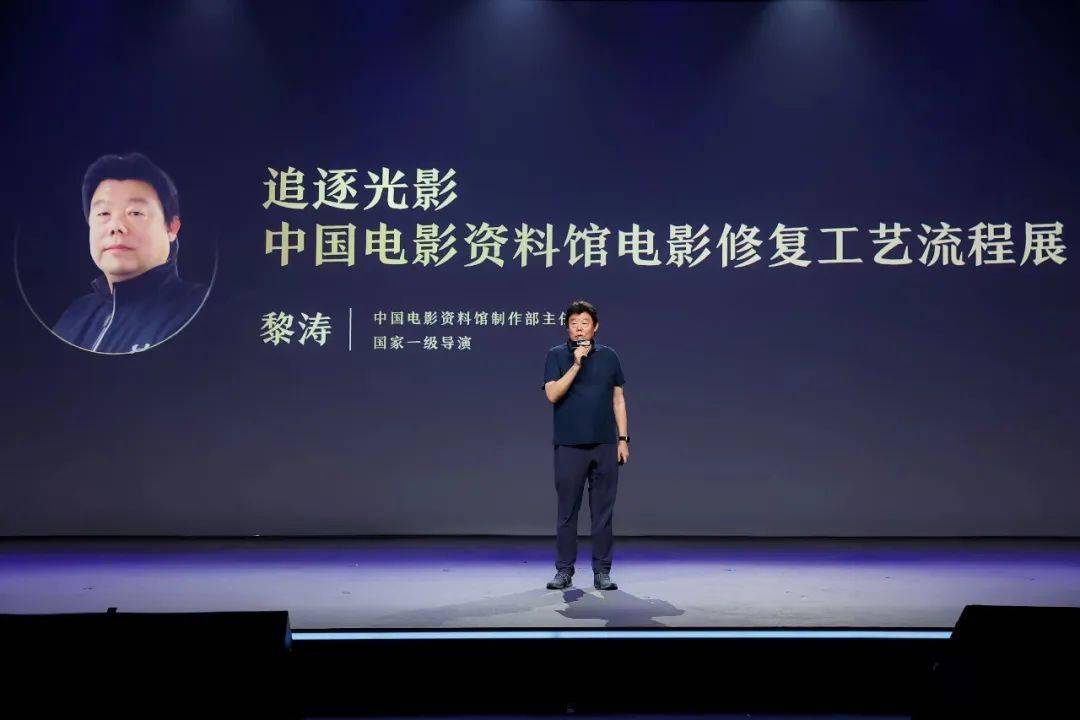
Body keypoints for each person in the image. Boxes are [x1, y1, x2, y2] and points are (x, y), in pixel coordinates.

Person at [53, 152, 207, 353]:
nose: (116, 226)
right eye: (103, 213)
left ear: (172, 227)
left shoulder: (200, 309)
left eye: (135, 213)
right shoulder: (75, 315)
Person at [542, 299, 629, 591]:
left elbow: (618, 400)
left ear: (596, 327)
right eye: (574, 324)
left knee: (603, 513)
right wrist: (576, 364)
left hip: (604, 445)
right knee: (567, 512)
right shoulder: (556, 355)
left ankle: (602, 571)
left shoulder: (609, 356)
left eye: (585, 323)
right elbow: (552, 394)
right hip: (569, 446)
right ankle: (564, 571)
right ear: (567, 328)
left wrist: (623, 439)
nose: (579, 328)